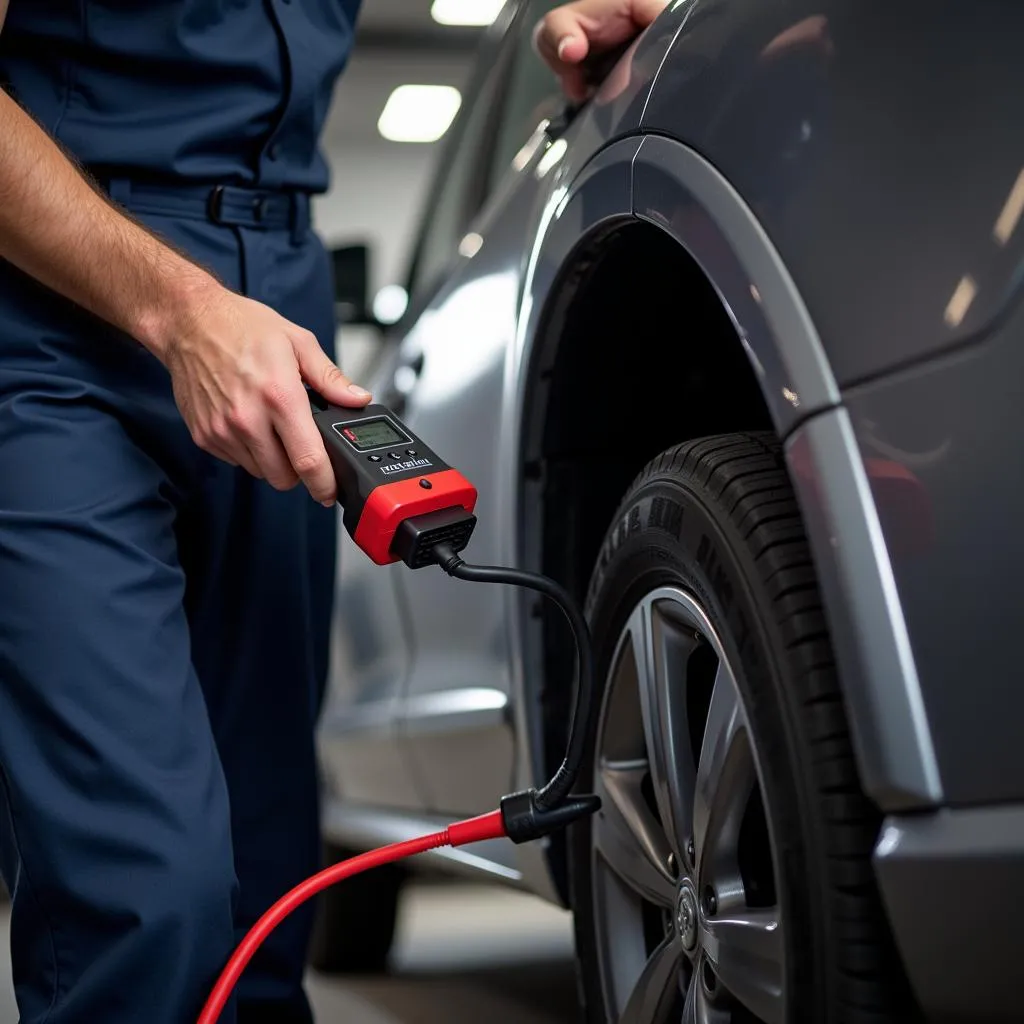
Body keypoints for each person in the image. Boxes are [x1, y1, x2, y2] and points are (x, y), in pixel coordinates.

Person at [0, 0, 668, 1020]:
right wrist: (180, 314)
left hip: (281, 305)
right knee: (148, 887)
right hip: (57, 305)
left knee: (267, 882)